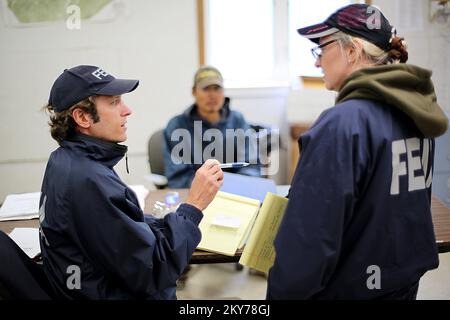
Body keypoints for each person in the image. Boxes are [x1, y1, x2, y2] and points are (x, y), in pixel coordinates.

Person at [267, 4, 449, 299]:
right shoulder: (417, 114)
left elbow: (308, 244)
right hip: (398, 286)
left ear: (351, 51)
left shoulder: (342, 124)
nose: (317, 63)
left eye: (321, 50)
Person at [39, 65, 223, 299]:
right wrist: (194, 206)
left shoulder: (66, 161)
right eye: (115, 102)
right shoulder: (88, 182)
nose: (127, 110)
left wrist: (166, 222)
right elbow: (156, 271)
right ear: (83, 117)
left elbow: (118, 228)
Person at [163, 65, 261, 188]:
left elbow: (251, 167)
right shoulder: (177, 126)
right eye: (206, 89)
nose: (212, 95)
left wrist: (236, 187)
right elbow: (179, 178)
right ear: (194, 91)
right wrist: (210, 187)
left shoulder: (238, 121)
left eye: (216, 88)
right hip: (195, 195)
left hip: (235, 194)